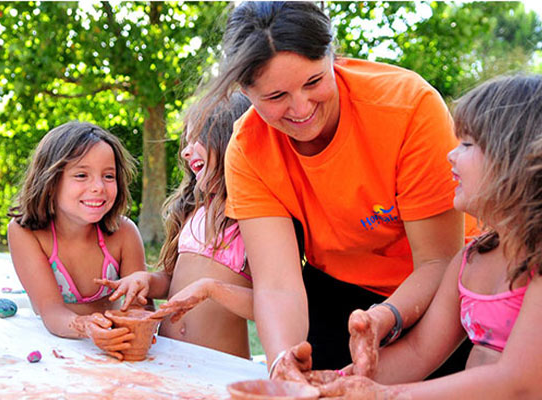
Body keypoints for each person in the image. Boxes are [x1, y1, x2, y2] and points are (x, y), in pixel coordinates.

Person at [189, 1, 475, 375]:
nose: (301, 108)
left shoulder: (409, 107)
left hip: (441, 289)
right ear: (245, 91)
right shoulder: (246, 148)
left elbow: (438, 261)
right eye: (276, 97)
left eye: (314, 81)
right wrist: (283, 362)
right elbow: (278, 285)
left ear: (332, 57)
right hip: (336, 290)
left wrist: (387, 317)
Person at [306, 75, 542, 398]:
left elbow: (520, 385)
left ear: (520, 161)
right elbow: (418, 352)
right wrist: (333, 386)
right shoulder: (471, 259)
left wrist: (382, 396)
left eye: (468, 144)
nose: (451, 154)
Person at [97, 94, 256, 358]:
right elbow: (173, 281)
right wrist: (148, 280)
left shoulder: (253, 219)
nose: (185, 151)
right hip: (171, 359)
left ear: (231, 139)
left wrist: (212, 289)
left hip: (221, 367)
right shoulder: (194, 211)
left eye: (197, 139)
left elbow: (271, 304)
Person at [7, 121, 146, 361]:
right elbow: (51, 310)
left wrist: (130, 331)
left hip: (112, 348)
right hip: (52, 347)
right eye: (81, 175)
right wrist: (86, 327)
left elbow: (138, 307)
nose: (98, 187)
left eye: (108, 176)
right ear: (50, 181)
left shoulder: (124, 232)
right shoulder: (26, 233)